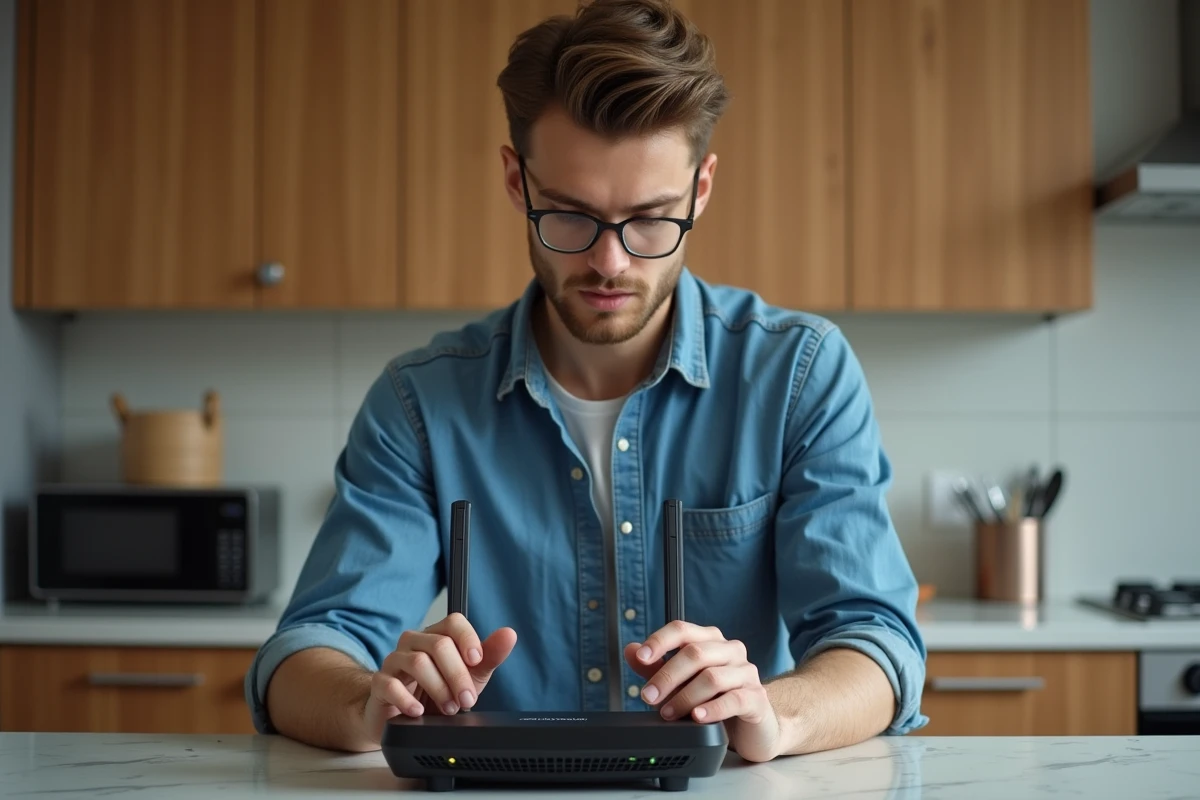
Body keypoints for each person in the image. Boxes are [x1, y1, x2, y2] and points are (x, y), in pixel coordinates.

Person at [245, 0, 927, 763]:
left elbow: (875, 643)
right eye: (570, 216)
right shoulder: (419, 403)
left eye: (651, 218)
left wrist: (776, 715)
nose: (611, 262)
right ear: (517, 181)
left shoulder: (799, 374)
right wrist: (366, 701)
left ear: (700, 190)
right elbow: (306, 650)